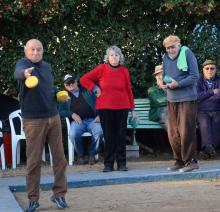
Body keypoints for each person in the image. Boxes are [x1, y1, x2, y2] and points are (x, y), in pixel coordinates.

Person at [13, 39, 68, 211]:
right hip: (33, 120)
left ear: (43, 51)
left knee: (60, 159)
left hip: (53, 117)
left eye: (39, 49)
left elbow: (49, 88)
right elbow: (18, 73)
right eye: (32, 49)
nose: (36, 52)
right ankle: (33, 199)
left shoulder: (47, 67)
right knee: (34, 161)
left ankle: (59, 195)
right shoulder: (23, 64)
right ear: (25, 50)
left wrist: (58, 95)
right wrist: (26, 74)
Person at [80, 45, 137, 172]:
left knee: (121, 136)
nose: (114, 57)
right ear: (107, 57)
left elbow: (129, 90)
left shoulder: (124, 71)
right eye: (111, 55)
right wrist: (95, 88)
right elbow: (84, 79)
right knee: (109, 136)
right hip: (105, 108)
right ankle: (108, 164)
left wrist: (133, 109)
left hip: (122, 107)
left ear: (120, 57)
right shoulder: (101, 68)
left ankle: (122, 163)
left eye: (116, 55)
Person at [160, 35, 199, 172]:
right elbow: (165, 74)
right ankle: (179, 160)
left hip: (187, 98)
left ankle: (191, 161)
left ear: (179, 44)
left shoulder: (187, 53)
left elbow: (195, 76)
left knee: (186, 130)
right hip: (171, 98)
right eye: (167, 48)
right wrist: (164, 83)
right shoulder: (165, 57)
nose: (170, 50)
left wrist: (179, 84)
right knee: (173, 132)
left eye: (172, 47)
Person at [58, 74, 103, 165]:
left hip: (92, 120)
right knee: (73, 134)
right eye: (67, 84)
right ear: (64, 86)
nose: (70, 85)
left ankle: (92, 154)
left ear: (76, 82)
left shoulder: (87, 90)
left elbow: (101, 101)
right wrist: (71, 114)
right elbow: (60, 111)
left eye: (72, 82)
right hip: (77, 122)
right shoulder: (64, 96)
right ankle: (80, 156)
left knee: (99, 131)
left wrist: (100, 115)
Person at [197, 60, 220, 160]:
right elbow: (197, 96)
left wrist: (205, 99)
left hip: (219, 111)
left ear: (215, 70)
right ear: (203, 70)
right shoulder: (199, 81)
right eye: (207, 68)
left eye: (212, 68)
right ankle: (209, 149)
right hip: (203, 111)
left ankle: (205, 150)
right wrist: (212, 91)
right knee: (204, 125)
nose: (209, 70)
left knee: (217, 123)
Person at [147, 65, 168, 132]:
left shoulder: (171, 88)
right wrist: (173, 100)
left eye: (162, 74)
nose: (160, 77)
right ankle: (177, 139)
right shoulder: (152, 90)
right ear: (155, 77)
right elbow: (159, 102)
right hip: (158, 113)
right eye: (158, 75)